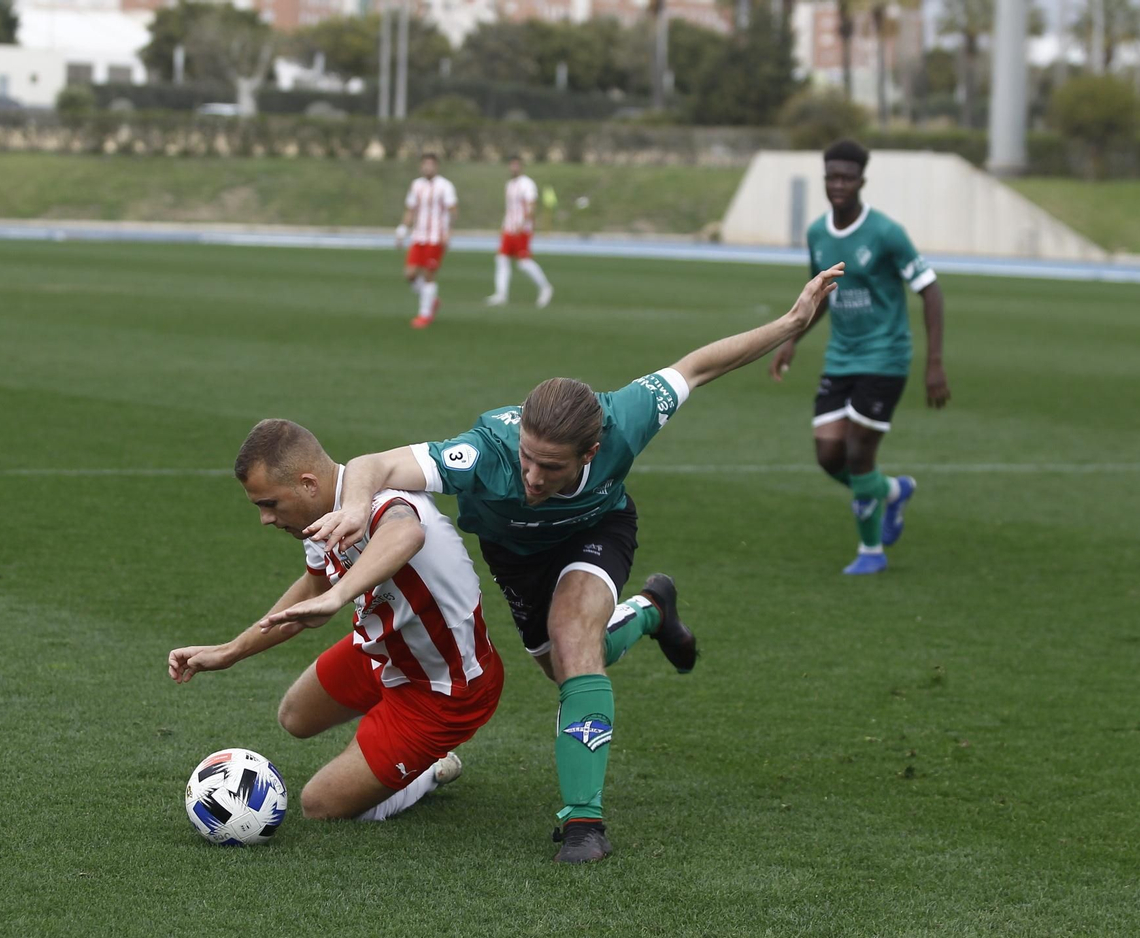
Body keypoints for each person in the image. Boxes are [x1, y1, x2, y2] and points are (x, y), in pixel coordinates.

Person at [305, 266, 843, 862]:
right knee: (567, 665)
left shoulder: (626, 418)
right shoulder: (484, 454)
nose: (533, 477)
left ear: (591, 450)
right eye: (527, 459)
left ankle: (584, 824)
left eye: (551, 467)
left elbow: (698, 366)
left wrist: (794, 321)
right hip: (515, 557)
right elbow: (373, 463)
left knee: (572, 637)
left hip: (596, 533)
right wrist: (355, 506)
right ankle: (650, 610)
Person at [167, 419, 503, 823]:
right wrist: (229, 652)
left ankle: (429, 767)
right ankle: (395, 746)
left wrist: (338, 596)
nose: (265, 519)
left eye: (269, 504)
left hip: (445, 688)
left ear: (309, 484)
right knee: (295, 716)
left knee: (320, 805)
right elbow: (311, 592)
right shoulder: (321, 518)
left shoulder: (382, 503)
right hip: (385, 654)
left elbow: (406, 533)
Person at [769, 139, 948, 576]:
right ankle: (891, 491)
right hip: (841, 358)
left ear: (862, 181)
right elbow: (823, 294)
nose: (839, 184)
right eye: (832, 176)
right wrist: (793, 338)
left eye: (848, 177)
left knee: (857, 452)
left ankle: (871, 551)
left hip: (885, 358)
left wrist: (934, 362)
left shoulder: (886, 233)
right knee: (828, 455)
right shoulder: (817, 232)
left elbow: (930, 290)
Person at [396, 153, 457, 330]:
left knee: (429, 275)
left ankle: (425, 314)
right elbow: (410, 210)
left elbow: (453, 211)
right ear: (421, 167)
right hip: (418, 236)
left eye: (431, 165)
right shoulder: (416, 185)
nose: (428, 168)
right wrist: (402, 230)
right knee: (410, 274)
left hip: (436, 237)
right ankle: (432, 300)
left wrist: (448, 233)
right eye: (425, 165)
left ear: (436, 167)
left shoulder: (445, 186)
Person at [486, 155, 554, 309]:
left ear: (522, 167)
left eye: (517, 165)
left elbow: (531, 206)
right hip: (509, 229)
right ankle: (501, 294)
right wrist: (505, 225)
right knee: (501, 259)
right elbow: (510, 209)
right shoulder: (509, 184)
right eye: (512, 165)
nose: (514, 168)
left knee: (524, 262)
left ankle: (545, 287)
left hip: (521, 229)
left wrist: (523, 224)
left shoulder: (527, 184)